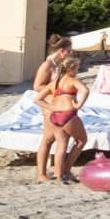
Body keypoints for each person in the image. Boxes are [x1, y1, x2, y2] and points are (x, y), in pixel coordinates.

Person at [36, 55, 88, 184]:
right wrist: (78, 105)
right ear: (71, 69)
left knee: (58, 142)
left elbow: (37, 99)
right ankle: (66, 171)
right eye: (77, 68)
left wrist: (52, 106)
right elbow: (85, 90)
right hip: (68, 114)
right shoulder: (72, 80)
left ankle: (57, 175)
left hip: (54, 115)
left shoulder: (55, 83)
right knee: (81, 140)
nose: (78, 70)